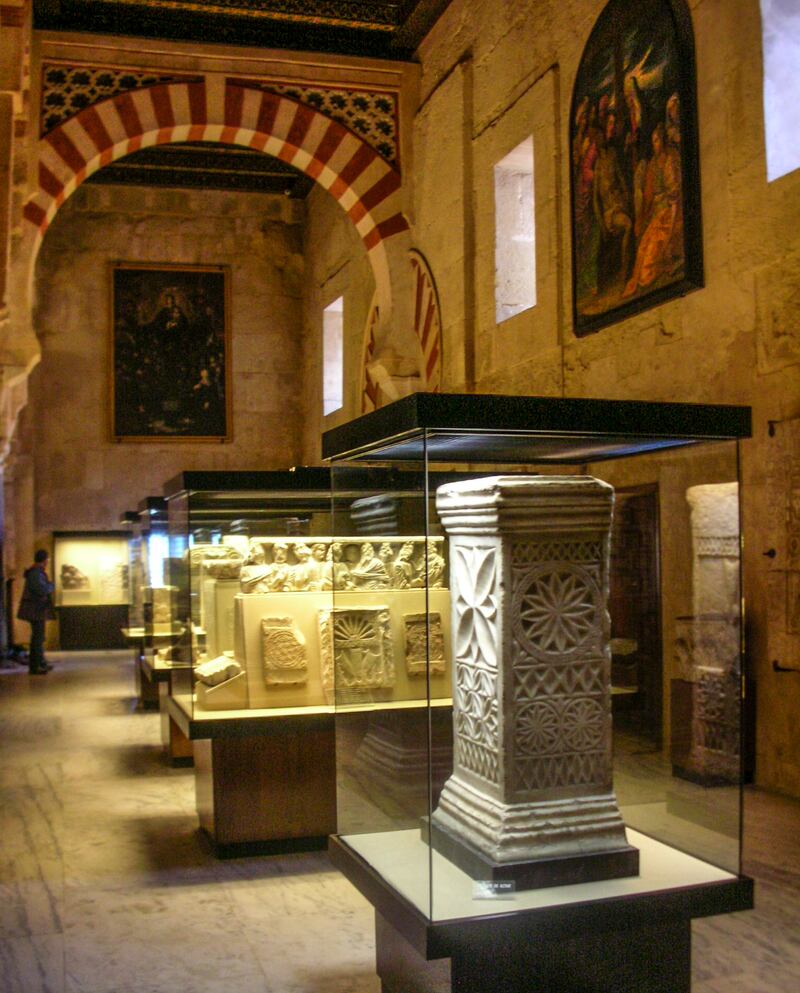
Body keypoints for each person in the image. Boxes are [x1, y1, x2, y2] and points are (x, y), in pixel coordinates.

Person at [17, 549, 55, 675]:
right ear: (44, 560)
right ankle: (35, 666)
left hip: (37, 609)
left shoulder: (36, 572)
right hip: (36, 610)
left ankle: (40, 662)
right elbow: (41, 589)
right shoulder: (35, 573)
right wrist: (51, 586)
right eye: (47, 560)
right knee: (37, 638)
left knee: (39, 637)